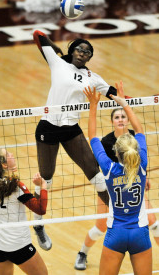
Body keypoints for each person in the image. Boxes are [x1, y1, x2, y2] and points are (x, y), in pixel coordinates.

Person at [32, 29, 117, 251]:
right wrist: (56, 49)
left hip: (71, 130)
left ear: (90, 57)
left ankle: (118, 220)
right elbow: (38, 34)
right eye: (79, 49)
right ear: (72, 50)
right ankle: (38, 224)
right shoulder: (57, 62)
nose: (83, 53)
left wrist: (125, 99)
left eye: (87, 52)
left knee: (97, 176)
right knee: (46, 180)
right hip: (48, 128)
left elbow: (111, 92)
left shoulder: (93, 78)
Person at [75, 107, 159, 270]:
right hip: (139, 233)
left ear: (117, 152)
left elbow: (92, 137)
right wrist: (123, 102)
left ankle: (82, 253)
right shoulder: (142, 165)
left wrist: (93, 105)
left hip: (116, 233)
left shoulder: (109, 168)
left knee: (154, 222)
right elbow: (140, 130)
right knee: (100, 226)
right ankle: (82, 253)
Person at [0, 148, 48, 275]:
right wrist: (43, 186)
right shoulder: (17, 187)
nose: (11, 154)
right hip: (19, 246)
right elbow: (40, 209)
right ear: (4, 164)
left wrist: (5, 171)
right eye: (7, 154)